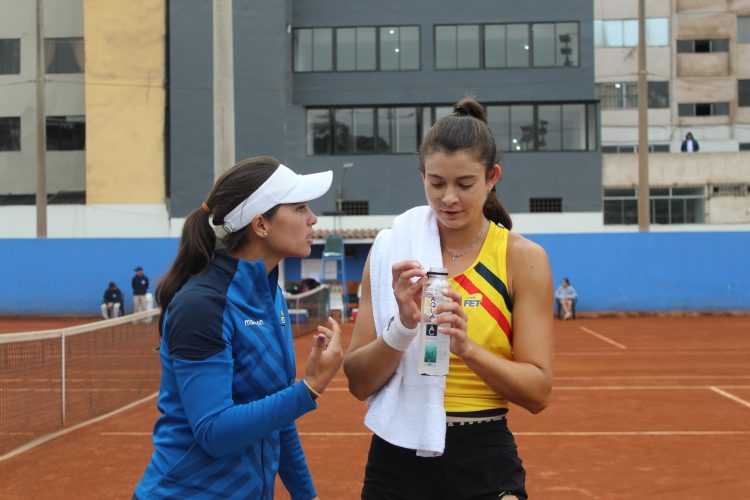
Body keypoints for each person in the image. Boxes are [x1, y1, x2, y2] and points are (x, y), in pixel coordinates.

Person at [343, 97, 554, 500]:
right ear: (422, 175)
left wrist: (467, 348)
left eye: (465, 184)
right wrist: (403, 327)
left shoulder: (522, 259)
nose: (449, 198)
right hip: (397, 455)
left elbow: (538, 392)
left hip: (483, 453)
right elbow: (358, 382)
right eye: (436, 183)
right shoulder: (392, 252)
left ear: (492, 177)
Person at [133, 156, 343, 500]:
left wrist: (307, 496)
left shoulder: (272, 296)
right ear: (260, 225)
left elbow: (277, 419)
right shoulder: (202, 306)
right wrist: (310, 387)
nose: (312, 218)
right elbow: (214, 432)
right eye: (300, 208)